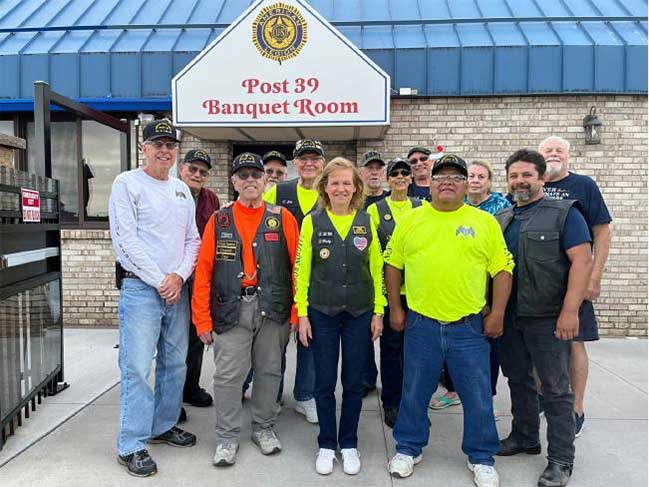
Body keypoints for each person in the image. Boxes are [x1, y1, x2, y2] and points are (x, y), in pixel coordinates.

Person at [385, 154, 513, 487]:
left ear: (466, 184)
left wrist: (497, 313)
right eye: (442, 176)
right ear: (430, 183)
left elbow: (502, 269)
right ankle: (409, 448)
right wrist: (396, 309)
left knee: (477, 393)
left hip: (468, 327)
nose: (448, 182)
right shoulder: (412, 220)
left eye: (457, 177)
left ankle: (481, 456)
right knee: (414, 390)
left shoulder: (484, 222)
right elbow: (393, 265)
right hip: (420, 324)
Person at [191, 152, 300, 466]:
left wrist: (295, 313)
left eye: (256, 175)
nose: (250, 180)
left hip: (273, 308)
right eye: (244, 175)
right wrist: (201, 319)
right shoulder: (219, 219)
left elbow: (296, 268)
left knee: (269, 372)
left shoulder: (282, 218)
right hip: (230, 308)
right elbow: (204, 271)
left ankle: (263, 428)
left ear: (266, 181)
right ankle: (226, 437)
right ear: (234, 181)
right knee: (227, 376)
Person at [495, 149, 593, 487]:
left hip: (548, 317)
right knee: (518, 380)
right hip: (511, 316)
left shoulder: (565, 213)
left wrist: (570, 311)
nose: (520, 181)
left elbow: (582, 261)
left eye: (526, 175)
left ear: (542, 178)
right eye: (514, 176)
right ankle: (524, 436)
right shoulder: (504, 218)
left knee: (555, 389)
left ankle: (561, 460)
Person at [109, 119, 201, 477]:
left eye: (170, 145)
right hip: (140, 290)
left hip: (176, 290)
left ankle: (162, 426)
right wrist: (160, 279)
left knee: (175, 364)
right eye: (157, 144)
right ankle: (130, 443)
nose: (165, 150)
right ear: (143, 148)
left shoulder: (180, 190)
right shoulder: (126, 184)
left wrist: (179, 276)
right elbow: (125, 241)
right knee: (136, 367)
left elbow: (193, 239)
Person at [295, 157, 385, 476]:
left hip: (360, 312)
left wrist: (379, 310)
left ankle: (348, 444)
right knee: (323, 382)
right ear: (325, 187)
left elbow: (376, 268)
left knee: (352, 382)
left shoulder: (366, 220)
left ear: (356, 187)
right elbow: (302, 271)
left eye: (347, 182)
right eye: (335, 182)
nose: (341, 188)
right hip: (322, 312)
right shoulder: (312, 221)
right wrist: (302, 314)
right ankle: (325, 444)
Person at [539, 135, 612, 437]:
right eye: (548, 150)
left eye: (559, 150)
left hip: (575, 279)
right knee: (539, 344)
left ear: (568, 156)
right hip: (538, 283)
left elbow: (602, 232)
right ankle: (547, 397)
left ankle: (576, 407)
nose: (554, 154)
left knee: (574, 342)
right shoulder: (531, 184)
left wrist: (594, 277)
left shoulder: (584, 185)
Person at [433, 160, 511, 415]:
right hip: (452, 299)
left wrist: (496, 309)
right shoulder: (452, 209)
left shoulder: (501, 211)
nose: (476, 180)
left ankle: (485, 403)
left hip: (484, 297)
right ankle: (455, 391)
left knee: (484, 358)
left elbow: (501, 265)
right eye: (473, 175)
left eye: (480, 176)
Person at [263, 139, 325, 424]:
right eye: (303, 158)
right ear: (295, 163)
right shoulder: (278, 191)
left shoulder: (330, 192)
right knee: (275, 340)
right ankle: (272, 394)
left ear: (322, 163)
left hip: (317, 279)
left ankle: (305, 396)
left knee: (309, 339)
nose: (309, 163)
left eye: (315, 158)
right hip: (280, 277)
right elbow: (254, 215)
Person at [366, 157, 421, 428]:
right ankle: (392, 402)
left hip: (421, 293)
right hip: (391, 293)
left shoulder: (422, 207)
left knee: (417, 352)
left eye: (405, 173)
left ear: (411, 178)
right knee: (391, 351)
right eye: (395, 174)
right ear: (388, 180)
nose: (400, 177)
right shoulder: (376, 210)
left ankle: (414, 401)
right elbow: (375, 256)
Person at [177, 149, 220, 422]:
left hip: (201, 277)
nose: (197, 175)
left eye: (202, 172)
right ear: (182, 169)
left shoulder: (210, 198)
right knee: (173, 340)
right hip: (175, 277)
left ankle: (190, 387)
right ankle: (171, 397)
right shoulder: (171, 193)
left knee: (196, 336)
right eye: (192, 169)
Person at [358, 150, 389, 397]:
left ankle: (390, 381)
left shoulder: (392, 202)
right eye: (370, 168)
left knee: (389, 338)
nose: (375, 172)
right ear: (362, 173)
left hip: (388, 278)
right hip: (360, 279)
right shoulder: (355, 203)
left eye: (379, 168)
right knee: (363, 336)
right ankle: (367, 378)